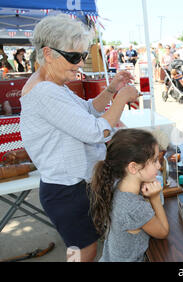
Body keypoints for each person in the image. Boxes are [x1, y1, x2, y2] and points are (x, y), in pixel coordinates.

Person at [19, 14, 139, 262]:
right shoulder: (44, 92)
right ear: (48, 54)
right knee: (84, 251)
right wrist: (122, 98)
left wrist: (111, 89)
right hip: (67, 190)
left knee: (85, 247)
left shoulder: (53, 86)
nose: (81, 63)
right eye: (74, 56)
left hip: (74, 186)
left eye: (83, 56)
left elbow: (88, 110)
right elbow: (95, 131)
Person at [89, 129, 169, 262]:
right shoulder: (134, 207)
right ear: (133, 167)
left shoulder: (118, 185)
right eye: (154, 160)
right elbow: (163, 231)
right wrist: (154, 198)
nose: (159, 166)